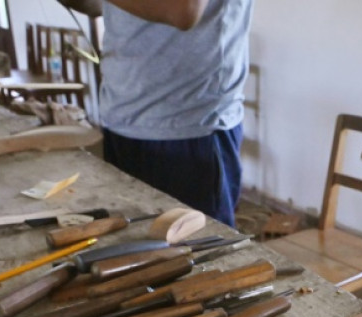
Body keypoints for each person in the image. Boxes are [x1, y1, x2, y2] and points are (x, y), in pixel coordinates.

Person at [57, 0, 253, 227]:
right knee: (134, 249)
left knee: (196, 255)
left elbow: (182, 10)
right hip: (124, 118)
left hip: (187, 128)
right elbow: (100, 6)